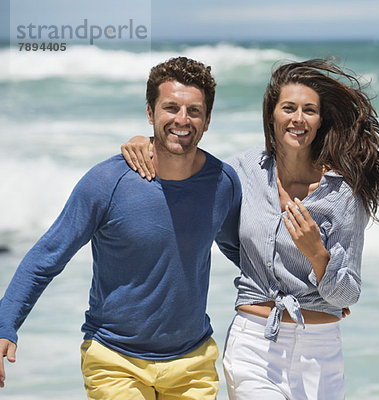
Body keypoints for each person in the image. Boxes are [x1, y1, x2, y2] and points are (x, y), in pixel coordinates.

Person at [122, 59, 379, 399]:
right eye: (288, 108)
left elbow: (347, 295)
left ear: (320, 120)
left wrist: (317, 255)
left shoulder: (342, 193)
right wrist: (146, 141)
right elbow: (186, 169)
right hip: (253, 344)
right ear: (272, 114)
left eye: (309, 110)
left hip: (321, 353)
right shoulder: (243, 171)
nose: (298, 119)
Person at [0, 56, 242, 399]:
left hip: (193, 362)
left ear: (208, 119)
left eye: (194, 111)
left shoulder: (222, 183)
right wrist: (5, 323)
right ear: (150, 113)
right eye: (170, 107)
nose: (182, 120)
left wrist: (306, 289)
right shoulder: (107, 182)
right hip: (115, 360)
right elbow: (47, 255)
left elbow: (240, 250)